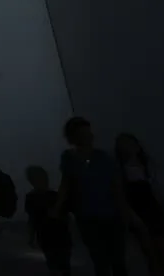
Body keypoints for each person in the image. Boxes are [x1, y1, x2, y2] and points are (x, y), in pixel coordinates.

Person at [52, 117, 131, 276]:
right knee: (100, 259)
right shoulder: (69, 157)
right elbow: (66, 184)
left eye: (87, 132)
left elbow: (116, 188)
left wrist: (124, 212)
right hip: (87, 215)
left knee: (116, 259)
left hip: (109, 214)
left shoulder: (104, 157)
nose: (87, 136)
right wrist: (57, 208)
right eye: (82, 133)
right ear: (72, 137)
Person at [114, 133, 164, 276]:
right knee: (152, 258)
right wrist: (132, 216)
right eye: (124, 145)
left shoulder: (146, 166)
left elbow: (158, 192)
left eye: (130, 143)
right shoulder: (120, 171)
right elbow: (121, 196)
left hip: (155, 212)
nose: (129, 148)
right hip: (139, 215)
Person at [25, 165, 72, 275]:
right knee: (60, 265)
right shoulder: (55, 196)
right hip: (55, 236)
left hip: (52, 236)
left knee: (57, 265)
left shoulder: (32, 198)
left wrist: (31, 237)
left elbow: (31, 219)